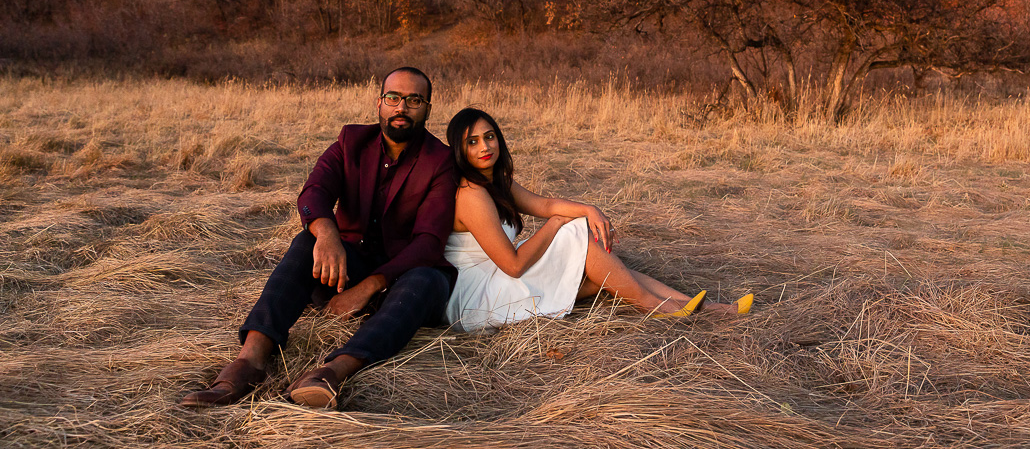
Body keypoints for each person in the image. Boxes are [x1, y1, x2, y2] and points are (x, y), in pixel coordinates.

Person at [180, 67, 457, 410]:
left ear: (427, 108)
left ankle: (329, 373)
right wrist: (326, 233)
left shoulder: (441, 160)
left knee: (428, 279)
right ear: (379, 104)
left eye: (414, 100)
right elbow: (314, 191)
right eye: (394, 98)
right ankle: (249, 362)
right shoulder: (351, 141)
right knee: (305, 242)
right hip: (346, 267)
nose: (402, 107)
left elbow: (429, 241)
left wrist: (370, 286)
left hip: (405, 280)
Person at [442, 107, 751, 332]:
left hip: (498, 279)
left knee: (606, 272)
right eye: (473, 142)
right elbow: (514, 264)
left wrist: (589, 209)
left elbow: (546, 203)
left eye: (490, 136)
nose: (485, 147)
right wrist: (557, 224)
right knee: (576, 234)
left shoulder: (494, 181)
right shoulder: (471, 194)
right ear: (460, 149)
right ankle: (655, 306)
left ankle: (697, 307)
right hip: (478, 298)